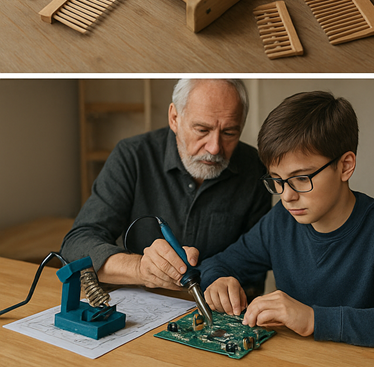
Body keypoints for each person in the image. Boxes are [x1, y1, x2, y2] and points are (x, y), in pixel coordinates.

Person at [196, 91, 374, 355]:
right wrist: (218, 280)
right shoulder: (280, 221)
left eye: (301, 178)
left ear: (345, 166)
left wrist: (315, 319)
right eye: (277, 180)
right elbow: (217, 264)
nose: (287, 196)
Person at [60, 79, 270, 293]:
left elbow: (255, 267)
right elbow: (77, 244)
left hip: (216, 312)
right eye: (202, 129)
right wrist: (140, 269)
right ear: (174, 118)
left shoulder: (255, 169)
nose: (215, 148)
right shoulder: (133, 156)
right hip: (142, 307)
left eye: (229, 133)